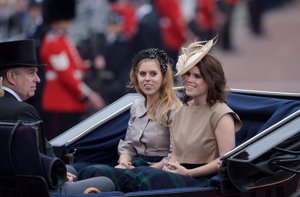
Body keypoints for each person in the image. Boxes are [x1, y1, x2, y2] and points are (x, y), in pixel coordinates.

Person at [116, 37, 242, 192]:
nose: (188, 80)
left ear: (211, 80)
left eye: (197, 76)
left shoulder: (222, 113)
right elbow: (175, 155)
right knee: (127, 175)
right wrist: (169, 167)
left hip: (201, 179)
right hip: (178, 171)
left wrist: (188, 172)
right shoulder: (182, 109)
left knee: (142, 179)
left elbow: (225, 161)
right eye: (187, 74)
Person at [0, 39, 115, 194]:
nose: (38, 79)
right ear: (11, 77)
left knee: (75, 169)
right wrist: (56, 173)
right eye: (31, 73)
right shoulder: (22, 110)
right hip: (35, 189)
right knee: (106, 182)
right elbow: (33, 162)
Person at [78, 48, 182, 189]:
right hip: (136, 164)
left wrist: (145, 169)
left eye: (153, 74)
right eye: (142, 74)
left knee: (135, 180)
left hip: (160, 169)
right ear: (136, 77)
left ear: (164, 77)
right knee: (92, 171)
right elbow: (129, 145)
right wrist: (124, 161)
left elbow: (174, 156)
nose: (147, 79)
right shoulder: (136, 105)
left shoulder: (174, 108)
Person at [40, 0, 105, 140]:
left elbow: (74, 66)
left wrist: (90, 66)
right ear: (58, 20)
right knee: (59, 142)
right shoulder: (53, 41)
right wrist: (88, 95)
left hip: (71, 101)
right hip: (60, 101)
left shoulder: (62, 39)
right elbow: (67, 75)